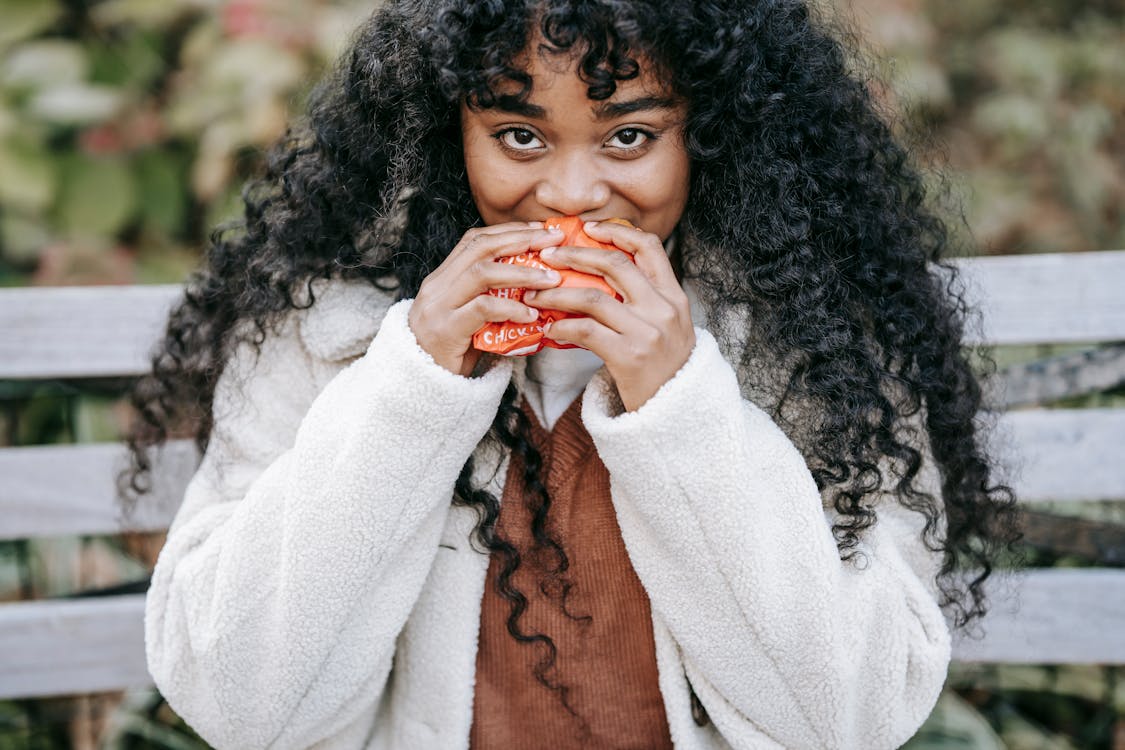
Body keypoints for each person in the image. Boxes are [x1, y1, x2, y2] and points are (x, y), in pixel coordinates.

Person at [124, 1, 1019, 748]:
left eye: (629, 136)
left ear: (711, 135)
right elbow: (235, 703)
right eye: (518, 135)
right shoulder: (330, 328)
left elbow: (853, 720)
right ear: (449, 136)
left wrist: (680, 405)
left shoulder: (818, 341)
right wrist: (412, 388)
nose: (570, 194)